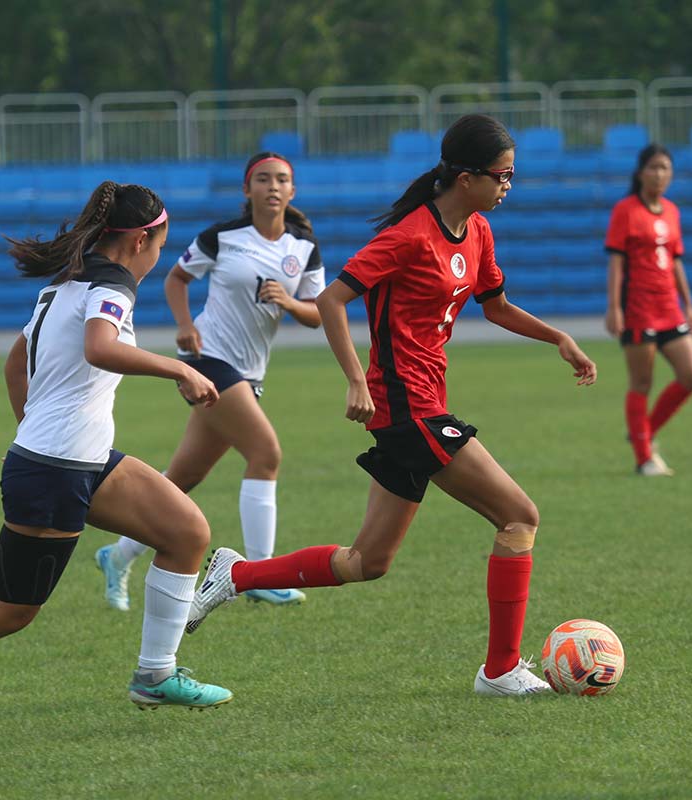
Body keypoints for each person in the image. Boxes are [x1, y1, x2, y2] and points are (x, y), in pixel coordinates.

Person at [182, 114, 598, 698]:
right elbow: (331, 300)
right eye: (502, 176)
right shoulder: (409, 236)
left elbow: (496, 305)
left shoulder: (477, 231)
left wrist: (558, 338)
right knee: (519, 516)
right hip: (407, 406)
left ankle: (236, 573)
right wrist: (356, 380)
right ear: (467, 178)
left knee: (367, 561)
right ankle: (501, 670)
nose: (508, 186)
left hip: (423, 403)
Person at [0, 182, 233, 748]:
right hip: (56, 467)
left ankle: (155, 676)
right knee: (10, 609)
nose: (158, 256)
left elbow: (15, 362)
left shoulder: (67, 283)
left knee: (186, 532)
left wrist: (36, 429)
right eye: (160, 245)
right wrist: (180, 369)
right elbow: (100, 347)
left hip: (76, 458)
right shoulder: (112, 284)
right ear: (140, 241)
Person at [94, 152, 324, 611]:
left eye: (281, 180)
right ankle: (259, 574)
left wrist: (289, 302)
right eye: (263, 179)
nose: (273, 186)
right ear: (247, 189)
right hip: (208, 359)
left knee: (183, 477)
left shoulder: (303, 247)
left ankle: (116, 556)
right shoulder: (222, 237)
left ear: (292, 191)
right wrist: (185, 325)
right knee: (266, 453)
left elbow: (317, 313)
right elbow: (177, 279)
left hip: (249, 372)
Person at [604, 144, 692, 476]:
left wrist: (688, 305)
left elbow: (675, 261)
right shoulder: (626, 210)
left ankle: (643, 432)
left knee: (691, 376)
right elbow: (616, 263)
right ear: (640, 172)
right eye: (654, 167)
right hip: (638, 308)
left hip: (669, 307)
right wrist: (614, 308)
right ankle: (644, 459)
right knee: (641, 383)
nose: (660, 174)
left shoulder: (671, 211)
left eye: (665, 168)